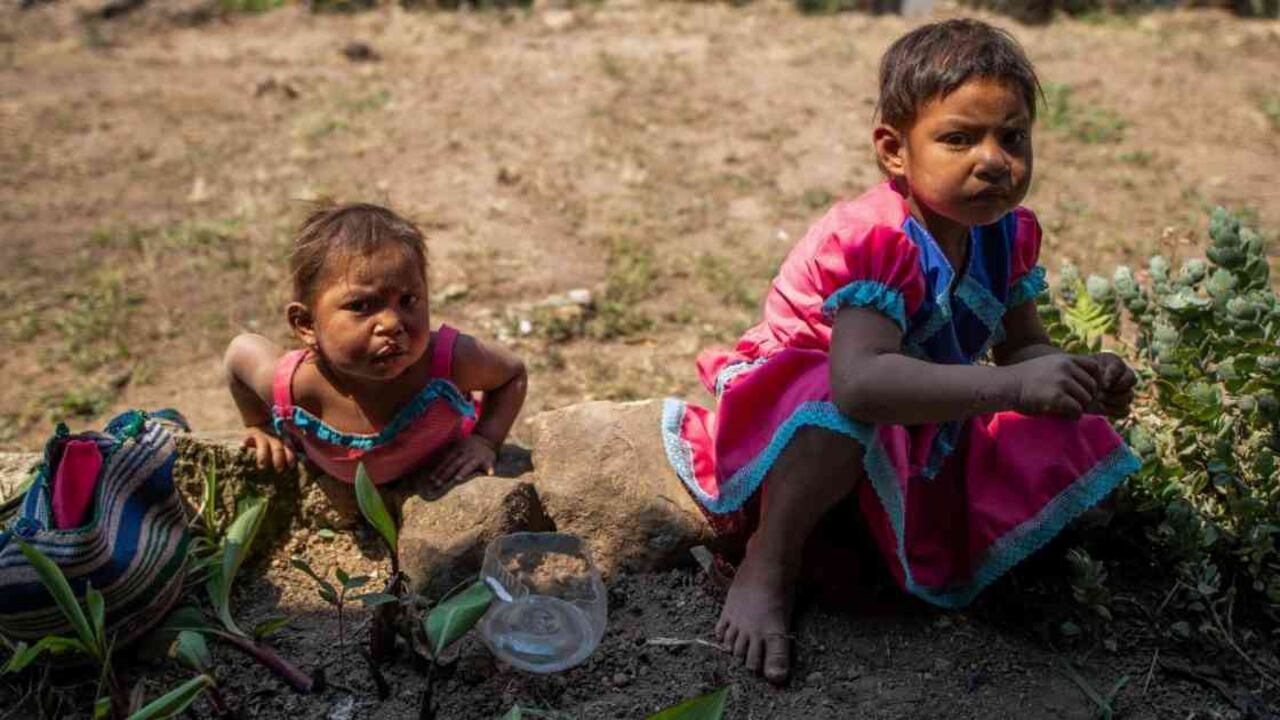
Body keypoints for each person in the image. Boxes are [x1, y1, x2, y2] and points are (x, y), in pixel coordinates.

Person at [660, 18, 1140, 684]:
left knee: (1071, 423)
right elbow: (859, 385)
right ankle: (768, 562)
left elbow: (1022, 348)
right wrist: (1010, 389)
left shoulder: (1006, 234)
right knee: (836, 407)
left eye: (1013, 137)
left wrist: (1075, 373)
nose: (994, 160)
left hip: (916, 411)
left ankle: (926, 539)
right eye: (959, 138)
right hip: (801, 422)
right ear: (893, 150)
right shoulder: (876, 241)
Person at [224, 202, 527, 492]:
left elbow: (512, 373)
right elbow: (240, 352)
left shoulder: (446, 363)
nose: (392, 323)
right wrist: (259, 424)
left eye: (408, 300)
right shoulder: (294, 387)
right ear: (305, 324)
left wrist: (486, 440)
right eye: (362, 305)